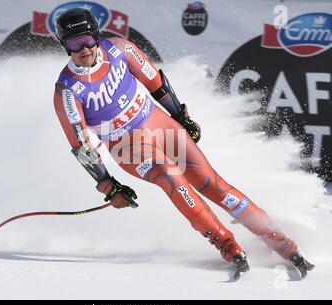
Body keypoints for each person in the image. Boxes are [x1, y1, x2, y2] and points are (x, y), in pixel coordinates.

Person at [52, 8, 314, 279]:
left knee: (213, 185)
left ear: (96, 36)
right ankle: (226, 244)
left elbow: (157, 84)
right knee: (173, 180)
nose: (83, 49)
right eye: (73, 43)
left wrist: (181, 116)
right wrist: (108, 184)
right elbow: (81, 144)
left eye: (87, 40)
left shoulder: (120, 49)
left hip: (158, 124)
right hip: (127, 146)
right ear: (64, 46)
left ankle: (278, 239)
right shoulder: (67, 90)